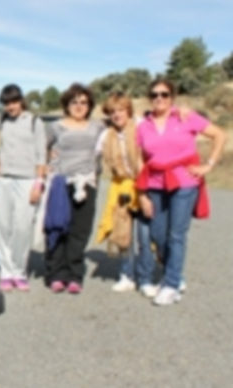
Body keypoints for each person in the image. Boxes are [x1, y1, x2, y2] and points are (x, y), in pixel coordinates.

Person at [136, 78, 227, 306]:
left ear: (172, 97)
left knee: (176, 235)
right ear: (149, 98)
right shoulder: (143, 126)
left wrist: (209, 164)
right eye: (155, 94)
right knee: (158, 234)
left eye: (164, 94)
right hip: (155, 183)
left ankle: (171, 285)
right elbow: (141, 160)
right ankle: (174, 274)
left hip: (184, 182)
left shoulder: (185, 117)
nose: (159, 98)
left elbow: (219, 135)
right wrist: (142, 192)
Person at [0, 84, 47, 292]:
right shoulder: (1, 119)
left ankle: (19, 271)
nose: (11, 106)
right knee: (2, 225)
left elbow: (41, 155)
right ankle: (6, 271)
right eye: (6, 103)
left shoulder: (35, 122)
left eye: (14, 102)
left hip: (27, 179)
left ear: (21, 101)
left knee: (22, 227)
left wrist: (39, 183)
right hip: (3, 179)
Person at [44, 84, 105, 294]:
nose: (79, 106)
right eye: (74, 102)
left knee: (80, 230)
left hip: (87, 183)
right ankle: (55, 273)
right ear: (66, 105)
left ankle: (74, 275)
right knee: (57, 226)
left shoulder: (98, 127)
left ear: (90, 106)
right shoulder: (55, 127)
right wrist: (46, 158)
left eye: (84, 102)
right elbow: (40, 147)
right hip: (61, 183)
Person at [93, 93, 149, 293]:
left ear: (129, 110)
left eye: (121, 110)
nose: (117, 115)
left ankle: (146, 278)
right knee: (123, 232)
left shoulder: (142, 126)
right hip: (120, 185)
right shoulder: (106, 136)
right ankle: (126, 275)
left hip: (144, 184)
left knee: (146, 235)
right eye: (112, 111)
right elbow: (93, 158)